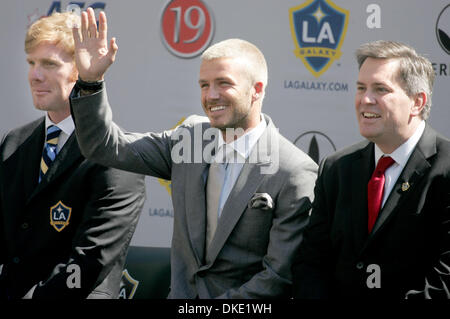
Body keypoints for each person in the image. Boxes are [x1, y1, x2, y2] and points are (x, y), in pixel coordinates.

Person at [69, 8, 317, 298]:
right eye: (204, 85)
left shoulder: (293, 171)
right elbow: (104, 146)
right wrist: (89, 82)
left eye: (224, 83)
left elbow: (276, 278)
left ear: (257, 89)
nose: (210, 96)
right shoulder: (189, 138)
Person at [0, 11, 146, 299]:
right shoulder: (12, 142)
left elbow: (91, 260)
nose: (35, 75)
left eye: (49, 64)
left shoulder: (118, 155)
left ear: (81, 70)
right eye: (31, 63)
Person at [292, 40, 450, 299]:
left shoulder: (446, 169)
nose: (365, 99)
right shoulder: (336, 169)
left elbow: (445, 281)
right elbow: (311, 264)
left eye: (380, 89)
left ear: (417, 102)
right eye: (361, 88)